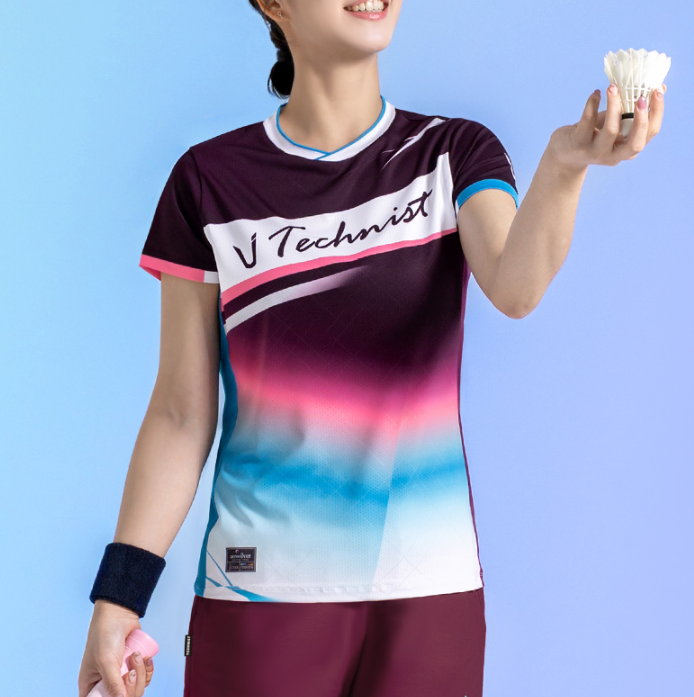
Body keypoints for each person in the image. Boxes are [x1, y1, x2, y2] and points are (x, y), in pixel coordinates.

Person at [77, 1, 667, 696]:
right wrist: (119, 596)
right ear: (273, 4)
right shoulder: (208, 181)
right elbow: (181, 412)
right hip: (258, 593)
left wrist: (565, 165)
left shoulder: (453, 154)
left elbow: (516, 286)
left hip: (430, 593)